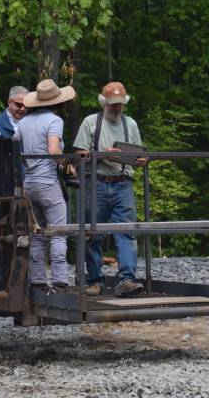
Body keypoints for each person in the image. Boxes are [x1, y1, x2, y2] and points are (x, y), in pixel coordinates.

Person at [73, 81, 146, 297]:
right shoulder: (90, 122)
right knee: (91, 233)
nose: (116, 108)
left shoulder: (130, 124)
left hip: (123, 182)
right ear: (103, 102)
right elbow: (78, 154)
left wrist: (140, 160)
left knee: (127, 233)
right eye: (113, 104)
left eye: (120, 104)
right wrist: (104, 154)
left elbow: (141, 155)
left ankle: (126, 280)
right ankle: (95, 281)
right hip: (96, 183)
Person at [18, 79, 76, 291]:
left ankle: (37, 281)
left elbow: (17, 149)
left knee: (39, 233)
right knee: (58, 232)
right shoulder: (54, 121)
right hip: (48, 183)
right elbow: (53, 151)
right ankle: (60, 281)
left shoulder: (23, 122)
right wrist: (67, 165)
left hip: (29, 184)